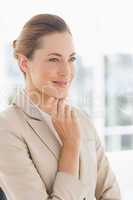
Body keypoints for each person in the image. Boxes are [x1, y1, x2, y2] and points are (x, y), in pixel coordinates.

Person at [0, 14, 121, 200]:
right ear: (24, 63)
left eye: (71, 59)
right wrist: (70, 147)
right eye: (54, 59)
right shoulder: (7, 128)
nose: (66, 71)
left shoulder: (81, 118)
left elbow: (109, 191)